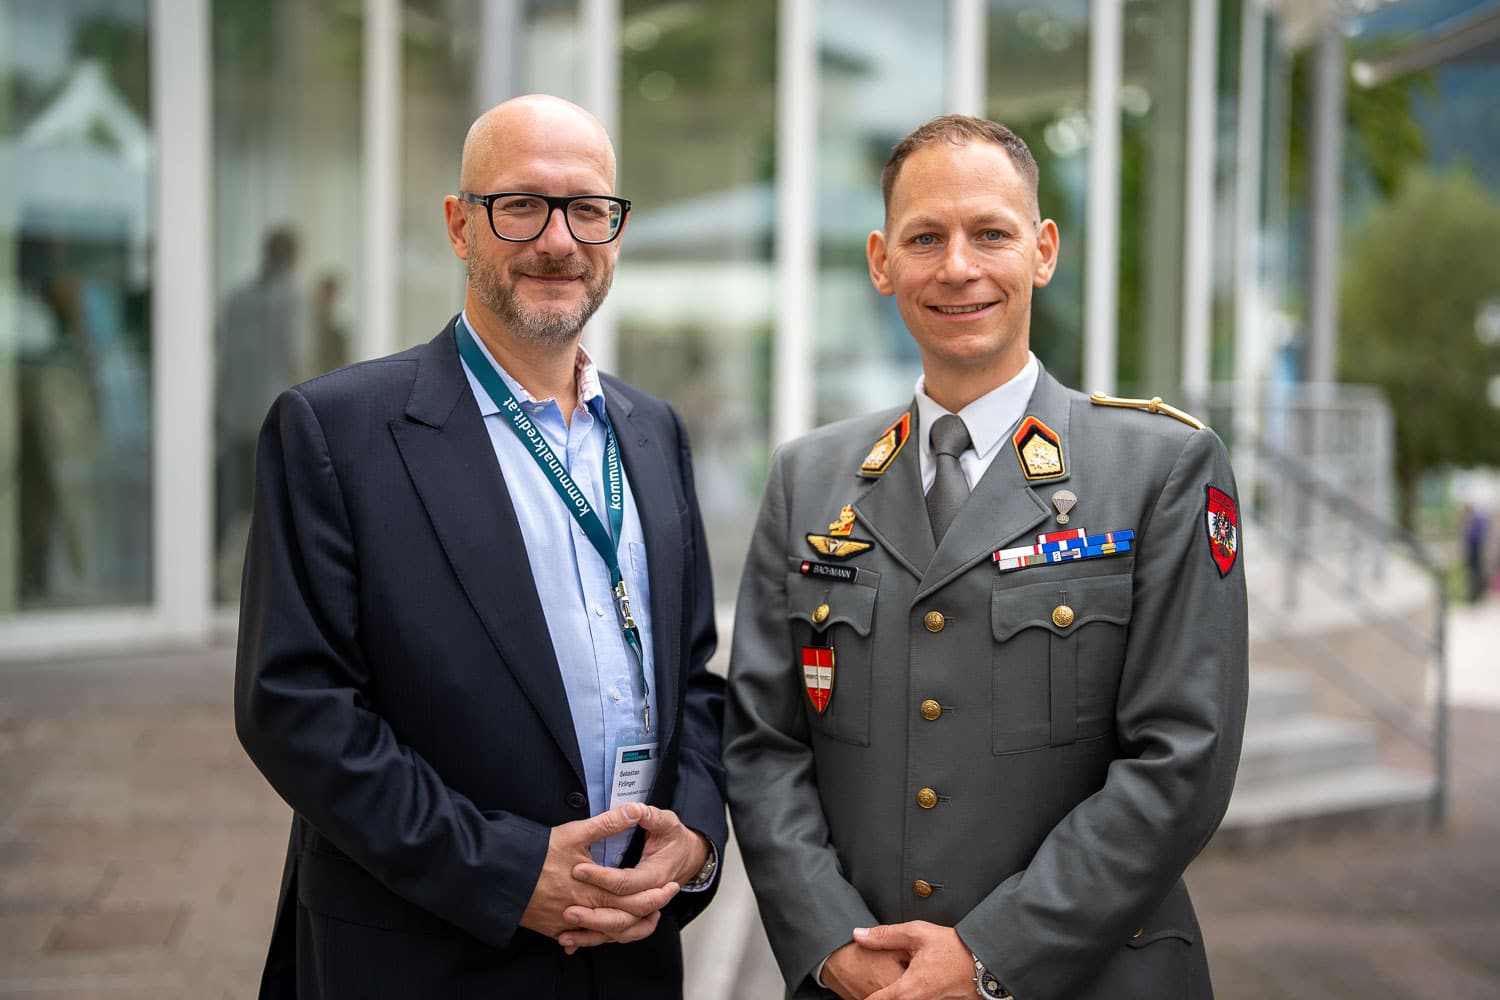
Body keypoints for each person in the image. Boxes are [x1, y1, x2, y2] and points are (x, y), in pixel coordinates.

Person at [724, 115, 1248, 1000]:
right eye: (925, 237)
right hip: (865, 983)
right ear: (882, 261)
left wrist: (989, 955)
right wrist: (830, 940)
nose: (958, 266)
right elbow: (763, 744)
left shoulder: (1161, 470)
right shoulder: (808, 479)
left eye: (991, 234)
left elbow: (1182, 761)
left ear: (1043, 251)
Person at [234, 94, 726, 999]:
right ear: (461, 226)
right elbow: (298, 711)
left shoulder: (653, 432)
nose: (558, 240)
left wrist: (693, 837)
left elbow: (694, 677)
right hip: (425, 955)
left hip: (630, 953)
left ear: (616, 231)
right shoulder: (336, 431)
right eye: (521, 205)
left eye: (587, 209)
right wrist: (506, 871)